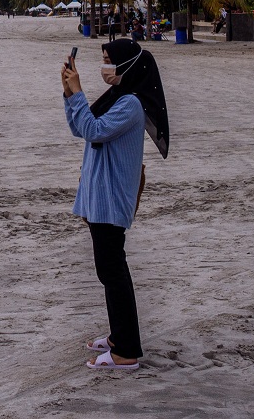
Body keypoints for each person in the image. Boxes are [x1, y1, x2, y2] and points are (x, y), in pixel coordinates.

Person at [61, 38, 169, 371]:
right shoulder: (117, 99)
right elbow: (80, 127)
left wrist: (77, 91)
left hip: (111, 200)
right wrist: (69, 93)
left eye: (109, 60)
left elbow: (93, 130)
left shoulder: (131, 105)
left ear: (127, 66)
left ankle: (126, 351)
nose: (104, 66)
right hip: (100, 198)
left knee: (113, 271)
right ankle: (118, 336)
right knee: (108, 271)